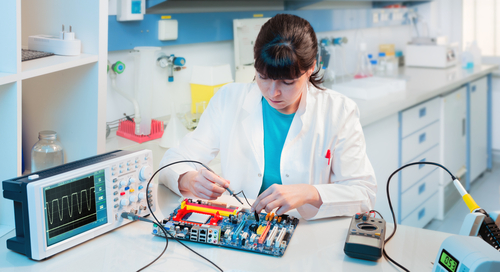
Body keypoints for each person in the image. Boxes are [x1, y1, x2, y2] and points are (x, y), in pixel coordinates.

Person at [159, 14, 376, 220]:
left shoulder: (339, 112)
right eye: (263, 77)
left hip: (307, 235)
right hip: (244, 231)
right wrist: (190, 179)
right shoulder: (229, 99)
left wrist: (309, 193)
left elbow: (363, 193)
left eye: (287, 82)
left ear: (311, 67)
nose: (273, 92)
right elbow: (171, 161)